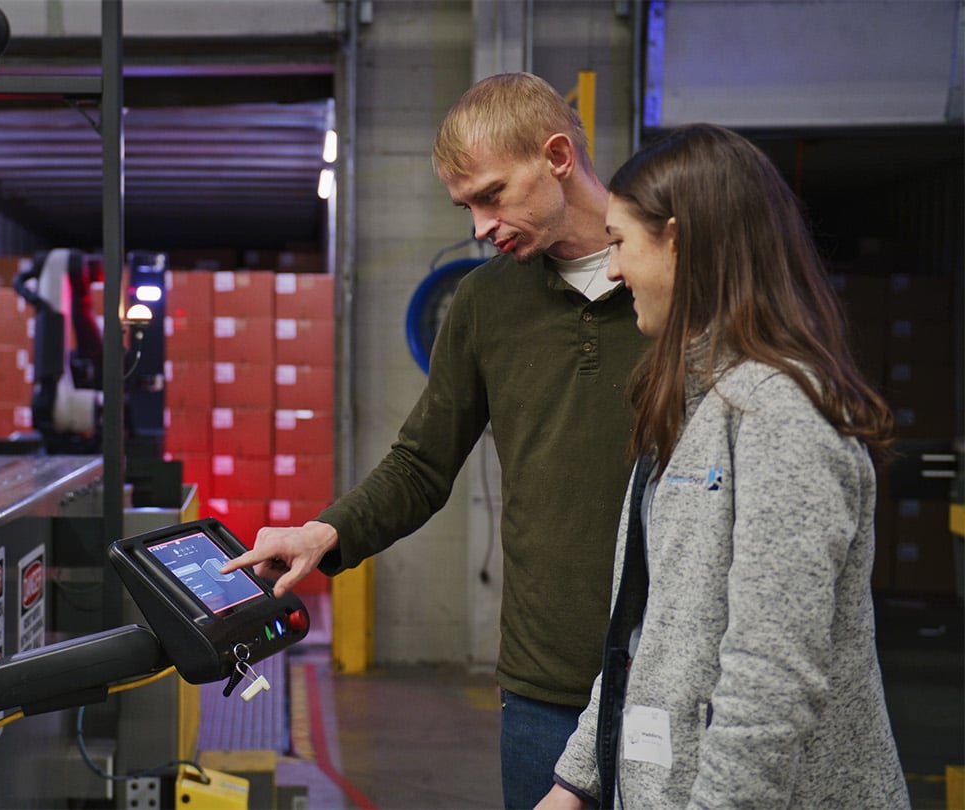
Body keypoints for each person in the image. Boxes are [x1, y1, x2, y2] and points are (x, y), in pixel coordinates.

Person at [221, 73, 650, 808]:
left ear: (555, 155)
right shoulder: (485, 302)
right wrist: (325, 533)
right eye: (467, 207)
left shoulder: (675, 279)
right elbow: (421, 462)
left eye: (490, 195)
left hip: (669, 674)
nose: (480, 226)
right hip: (546, 686)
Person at [537, 123, 908, 809]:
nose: (613, 269)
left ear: (677, 240)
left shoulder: (783, 412)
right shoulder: (688, 405)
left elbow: (770, 683)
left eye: (621, 242)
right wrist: (576, 782)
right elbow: (643, 635)